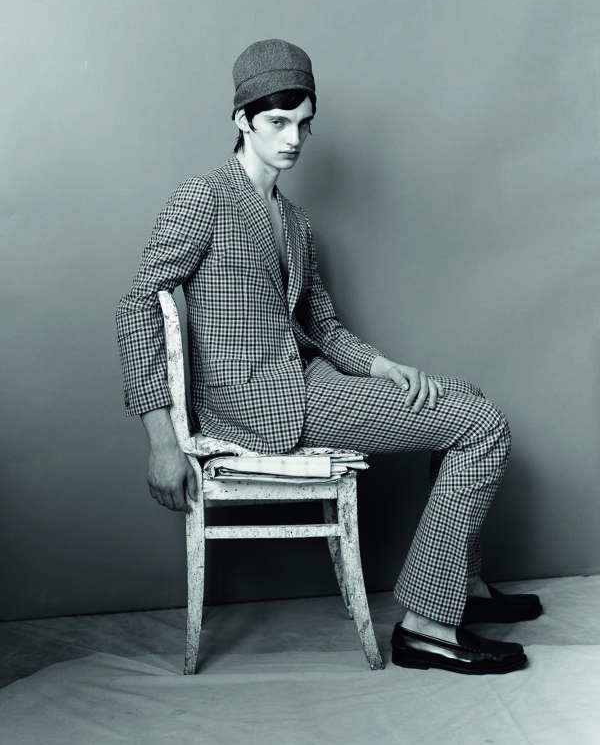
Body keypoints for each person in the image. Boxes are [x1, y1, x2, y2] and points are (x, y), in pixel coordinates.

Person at [116, 38, 542, 675]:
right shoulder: (203, 198)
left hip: (307, 382)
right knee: (483, 427)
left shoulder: (294, 221)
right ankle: (427, 628)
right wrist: (161, 439)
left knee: (467, 397)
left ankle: (464, 586)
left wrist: (381, 367)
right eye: (277, 122)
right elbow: (138, 307)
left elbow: (322, 325)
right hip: (256, 407)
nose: (293, 139)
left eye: (304, 124)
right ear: (241, 120)